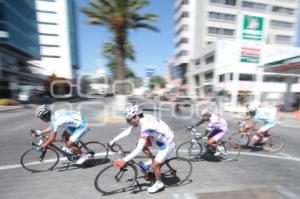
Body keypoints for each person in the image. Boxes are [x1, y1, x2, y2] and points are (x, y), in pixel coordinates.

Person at [108, 104, 176, 193]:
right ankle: (152, 161)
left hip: (168, 143)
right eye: (127, 121)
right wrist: (114, 140)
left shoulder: (146, 125)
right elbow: (129, 130)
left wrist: (124, 160)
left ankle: (159, 183)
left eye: (129, 120)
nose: (128, 123)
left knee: (155, 165)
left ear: (136, 117)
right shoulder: (142, 118)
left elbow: (138, 149)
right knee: (140, 144)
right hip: (159, 138)